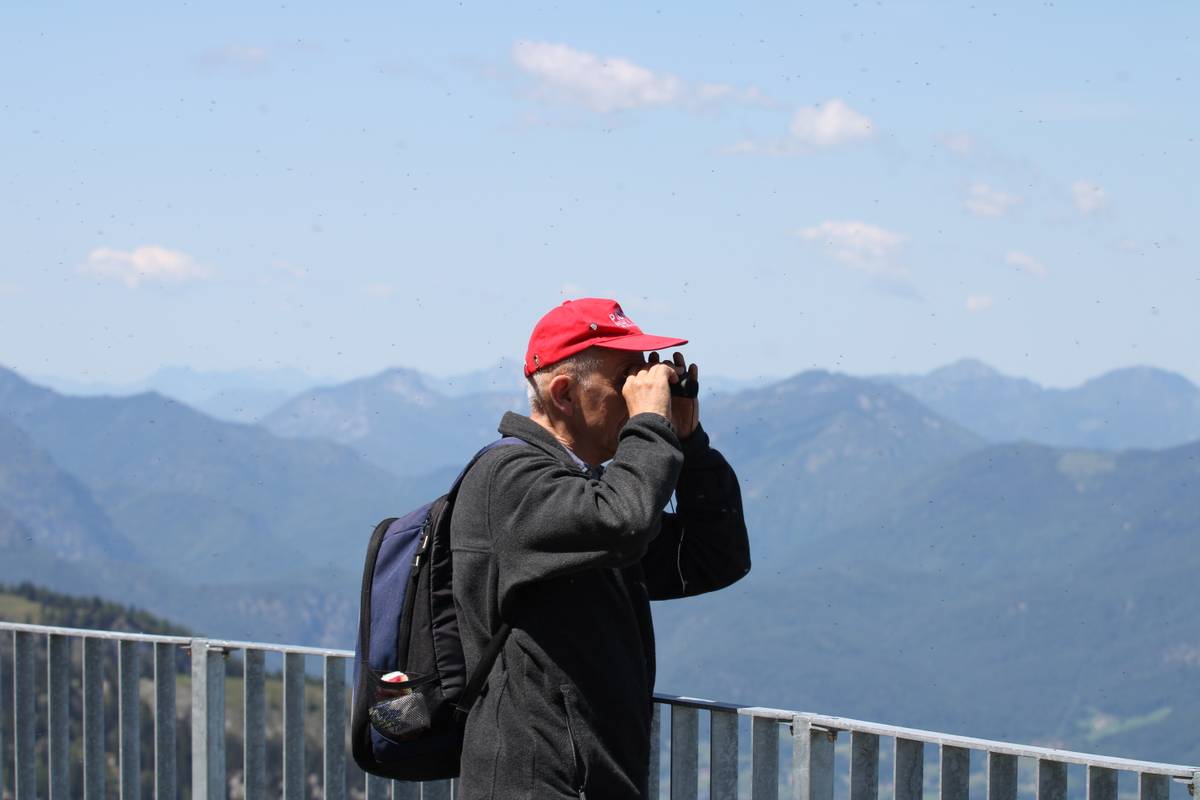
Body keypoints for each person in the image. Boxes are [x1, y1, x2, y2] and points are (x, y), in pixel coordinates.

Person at [451, 298, 751, 799]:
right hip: (535, 782)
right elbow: (626, 523)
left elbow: (715, 555)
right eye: (627, 381)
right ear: (565, 393)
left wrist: (688, 441)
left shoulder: (583, 496)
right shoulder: (511, 480)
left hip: (587, 779)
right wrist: (652, 428)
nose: (643, 395)